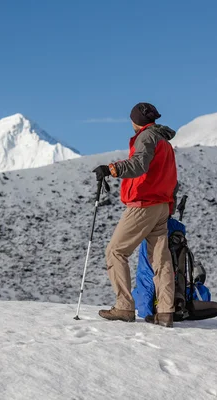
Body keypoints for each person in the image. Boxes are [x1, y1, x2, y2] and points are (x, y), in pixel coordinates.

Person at [92, 102, 178, 327]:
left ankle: (124, 307)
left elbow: (139, 165)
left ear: (135, 121)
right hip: (162, 205)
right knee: (161, 259)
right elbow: (172, 179)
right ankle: (166, 311)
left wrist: (111, 169)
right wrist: (170, 204)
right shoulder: (164, 143)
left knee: (116, 251)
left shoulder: (146, 137)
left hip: (144, 204)